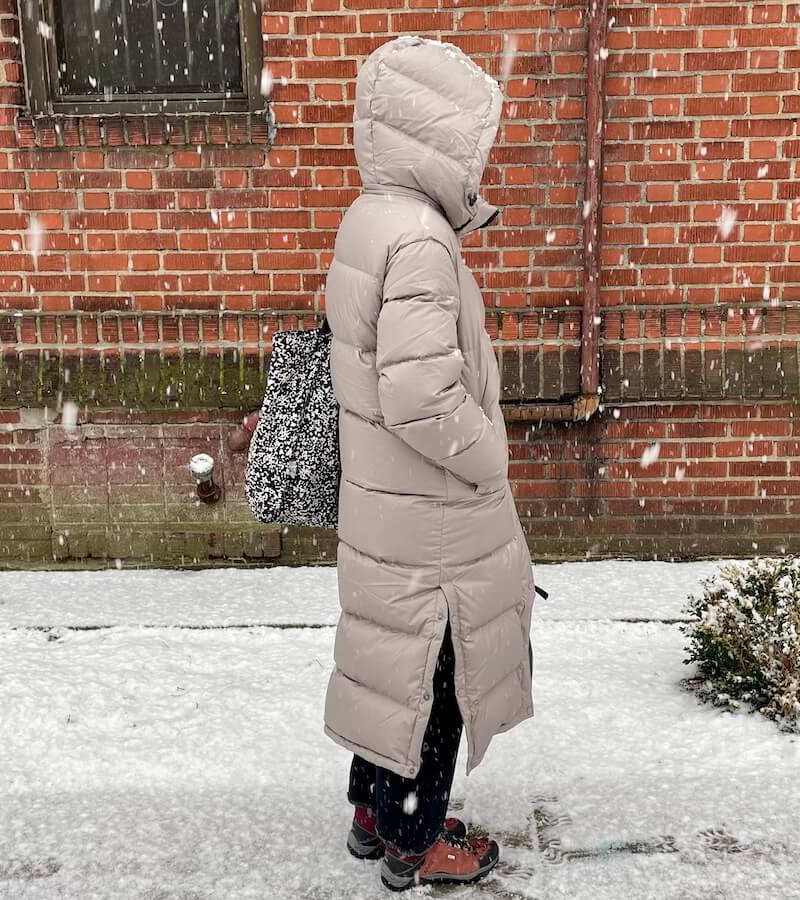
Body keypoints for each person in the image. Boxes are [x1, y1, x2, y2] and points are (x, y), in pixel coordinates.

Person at [322, 35, 536, 892]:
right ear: (438, 138)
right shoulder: (420, 239)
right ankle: (416, 842)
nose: (481, 162)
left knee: (394, 656)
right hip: (433, 507)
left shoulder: (372, 216)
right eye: (475, 143)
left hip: (389, 502)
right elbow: (419, 396)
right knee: (436, 675)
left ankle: (375, 812)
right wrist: (491, 456)